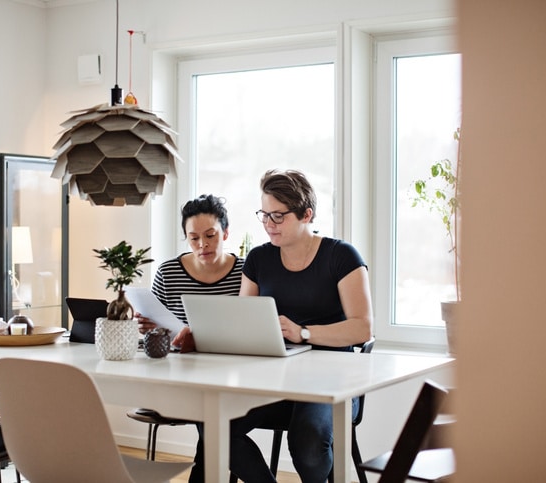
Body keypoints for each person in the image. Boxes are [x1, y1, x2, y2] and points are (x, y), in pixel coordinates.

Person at [232, 169, 373, 483]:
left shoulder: (341, 256)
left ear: (306, 214)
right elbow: (243, 322)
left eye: (278, 216)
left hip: (332, 385)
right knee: (214, 423)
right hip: (275, 382)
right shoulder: (258, 259)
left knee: (307, 443)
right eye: (264, 215)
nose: (269, 223)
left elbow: (363, 328)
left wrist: (304, 333)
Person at [135, 193, 243, 483]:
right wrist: (147, 329)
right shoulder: (169, 272)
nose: (202, 245)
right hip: (179, 376)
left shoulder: (246, 273)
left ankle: (202, 474)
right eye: (193, 238)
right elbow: (153, 330)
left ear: (226, 232)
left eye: (210, 236)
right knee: (212, 418)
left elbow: (250, 329)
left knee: (215, 415)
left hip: (233, 376)